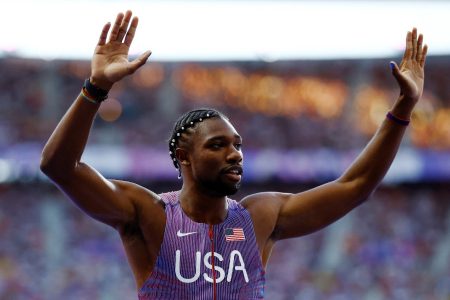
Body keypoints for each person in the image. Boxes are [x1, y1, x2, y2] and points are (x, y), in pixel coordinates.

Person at [40, 10, 428, 300]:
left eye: (238, 145)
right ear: (184, 156)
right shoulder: (146, 213)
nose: (235, 154)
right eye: (217, 145)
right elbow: (59, 166)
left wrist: (404, 109)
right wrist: (94, 88)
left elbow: (357, 185)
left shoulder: (261, 216)